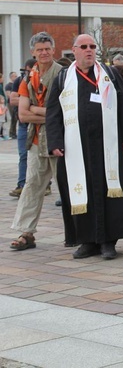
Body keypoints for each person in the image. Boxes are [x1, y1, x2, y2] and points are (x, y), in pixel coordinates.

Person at [46, 34, 123, 260]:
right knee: (82, 193)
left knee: (110, 192)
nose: (89, 50)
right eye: (84, 47)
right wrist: (55, 142)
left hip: (107, 146)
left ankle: (109, 242)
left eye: (92, 46)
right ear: (74, 50)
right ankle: (87, 241)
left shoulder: (109, 75)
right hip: (75, 148)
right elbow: (53, 112)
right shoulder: (63, 78)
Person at [8, 32, 64, 251]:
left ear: (53, 49)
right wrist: (47, 113)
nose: (44, 53)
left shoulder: (63, 74)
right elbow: (22, 114)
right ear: (33, 52)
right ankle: (26, 233)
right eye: (40, 49)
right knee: (32, 186)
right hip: (35, 140)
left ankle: (79, 231)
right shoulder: (27, 78)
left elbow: (63, 112)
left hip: (60, 140)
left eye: (47, 48)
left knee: (68, 187)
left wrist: (35, 109)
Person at [8, 59, 36, 198]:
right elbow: (12, 100)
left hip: (37, 122)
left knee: (42, 156)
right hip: (24, 124)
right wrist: (29, 101)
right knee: (23, 155)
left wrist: (25, 102)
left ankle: (46, 184)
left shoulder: (41, 79)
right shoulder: (20, 80)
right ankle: (22, 184)